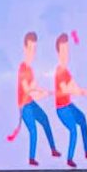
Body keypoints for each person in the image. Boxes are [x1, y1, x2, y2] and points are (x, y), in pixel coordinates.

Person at [14, 31, 56, 164]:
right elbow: (28, 90)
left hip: (30, 103)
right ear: (25, 48)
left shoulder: (30, 69)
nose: (33, 53)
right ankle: (31, 158)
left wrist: (47, 91)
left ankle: (53, 149)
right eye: (30, 49)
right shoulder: (22, 68)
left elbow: (35, 87)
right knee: (33, 131)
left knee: (45, 120)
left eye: (35, 49)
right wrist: (42, 94)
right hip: (24, 106)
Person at [52, 32, 87, 164]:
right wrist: (79, 92)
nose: (66, 54)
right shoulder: (59, 71)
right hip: (62, 109)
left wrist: (84, 92)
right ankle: (69, 159)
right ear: (58, 53)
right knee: (73, 130)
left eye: (67, 51)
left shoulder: (66, 71)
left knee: (82, 119)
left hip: (69, 105)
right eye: (63, 51)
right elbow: (66, 89)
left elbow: (74, 86)